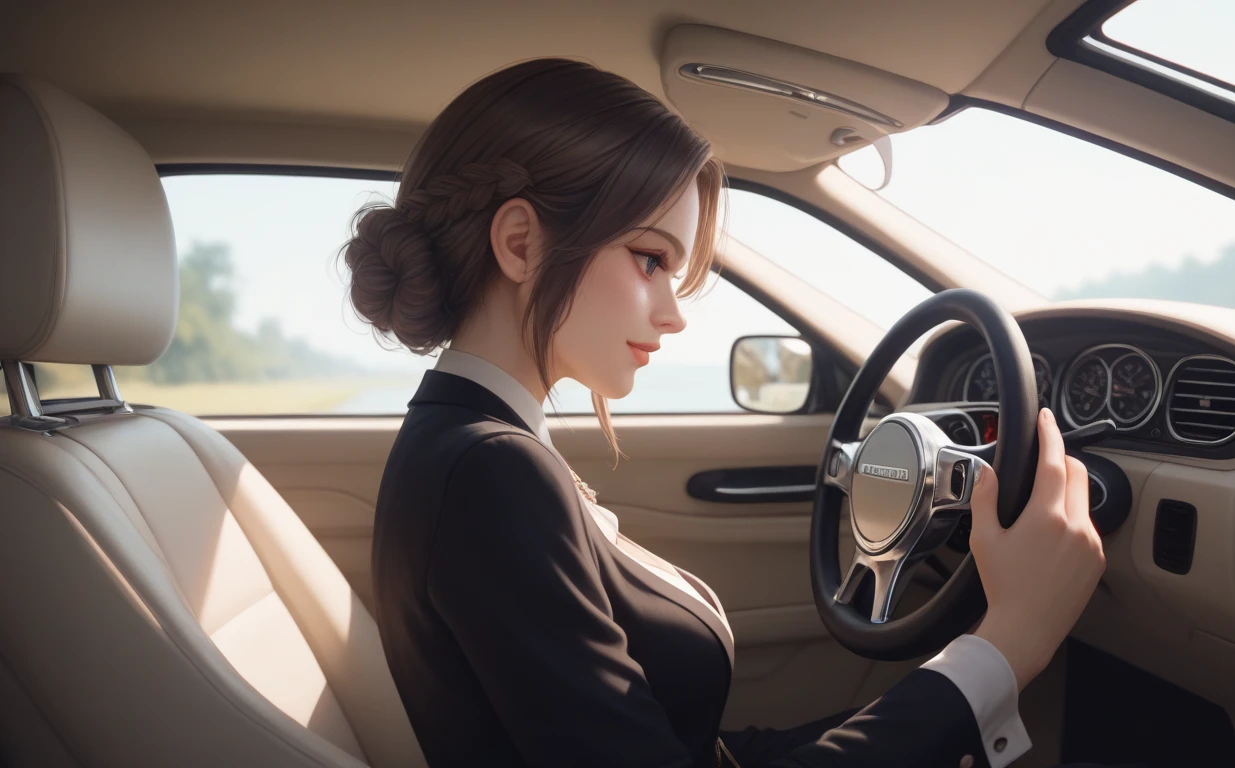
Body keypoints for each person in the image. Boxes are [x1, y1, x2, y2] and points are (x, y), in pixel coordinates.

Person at [348, 58, 1107, 768]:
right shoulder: (490, 472)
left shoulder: (469, 444)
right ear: (521, 244)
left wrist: (949, 695)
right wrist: (1007, 645)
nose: (673, 315)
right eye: (650, 260)